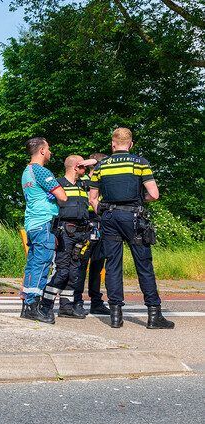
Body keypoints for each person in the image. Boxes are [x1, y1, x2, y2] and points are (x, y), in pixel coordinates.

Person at [88, 128, 174, 329]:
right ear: (131, 144)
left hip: (109, 217)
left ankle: (115, 316)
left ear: (113, 144)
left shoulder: (102, 165)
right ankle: (154, 315)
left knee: (112, 265)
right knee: (143, 264)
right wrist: (137, 200)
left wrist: (103, 209)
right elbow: (154, 194)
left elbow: (93, 198)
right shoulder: (139, 162)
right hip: (133, 217)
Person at [40, 155, 97, 321]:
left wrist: (91, 162)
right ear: (75, 167)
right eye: (82, 167)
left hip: (82, 233)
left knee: (74, 271)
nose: (85, 170)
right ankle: (46, 305)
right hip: (65, 232)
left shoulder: (84, 183)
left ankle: (66, 307)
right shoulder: (57, 184)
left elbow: (102, 166)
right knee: (63, 271)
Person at [20, 137, 67, 323]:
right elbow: (62, 196)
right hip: (44, 222)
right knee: (42, 263)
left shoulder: (26, 172)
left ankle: (27, 305)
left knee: (32, 263)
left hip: (32, 223)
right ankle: (34, 307)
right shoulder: (40, 171)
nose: (50, 152)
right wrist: (56, 193)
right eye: (48, 149)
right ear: (41, 151)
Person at [61, 153, 110, 316]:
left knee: (97, 265)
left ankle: (96, 301)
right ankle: (77, 301)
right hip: (84, 225)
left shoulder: (103, 184)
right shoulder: (82, 182)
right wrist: (91, 163)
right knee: (80, 265)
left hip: (100, 224)